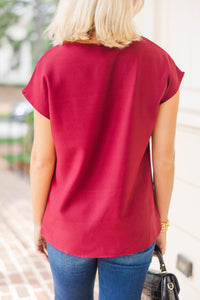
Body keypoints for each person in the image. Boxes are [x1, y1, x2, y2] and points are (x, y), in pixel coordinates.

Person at [22, 0, 185, 299]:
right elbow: (164, 160)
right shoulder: (159, 62)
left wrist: (38, 221)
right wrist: (162, 223)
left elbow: (42, 160)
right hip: (132, 228)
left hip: (67, 227)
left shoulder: (52, 64)